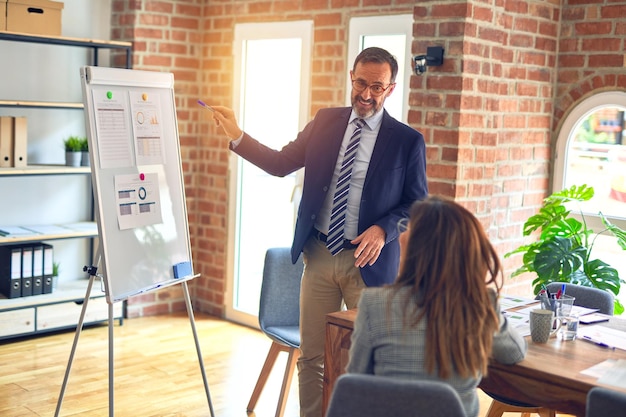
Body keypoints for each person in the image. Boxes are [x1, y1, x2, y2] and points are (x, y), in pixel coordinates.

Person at [211, 46, 428, 417]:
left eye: (377, 87)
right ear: (351, 77)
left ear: (390, 88)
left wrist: (383, 229)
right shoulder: (326, 121)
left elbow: (416, 204)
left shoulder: (407, 141)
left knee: (366, 363)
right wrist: (237, 136)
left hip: (369, 263)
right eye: (361, 83)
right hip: (320, 254)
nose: (366, 94)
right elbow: (281, 163)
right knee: (311, 357)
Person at [346, 196, 527, 417]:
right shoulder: (480, 302)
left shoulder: (374, 304)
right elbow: (514, 353)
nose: (402, 236)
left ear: (417, 248)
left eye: (409, 229)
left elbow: (355, 383)